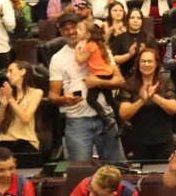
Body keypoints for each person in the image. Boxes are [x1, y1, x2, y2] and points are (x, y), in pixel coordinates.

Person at [48, 13, 125, 163]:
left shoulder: (102, 48)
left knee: (117, 169)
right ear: (60, 32)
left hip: (106, 118)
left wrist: (98, 82)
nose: (71, 32)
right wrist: (64, 99)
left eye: (74, 27)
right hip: (77, 122)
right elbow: (52, 95)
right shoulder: (57, 58)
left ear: (82, 27)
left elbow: (120, 81)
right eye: (65, 29)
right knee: (80, 173)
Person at [118, 47, 176, 162]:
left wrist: (153, 96)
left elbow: (173, 108)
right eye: (143, 61)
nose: (146, 64)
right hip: (138, 142)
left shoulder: (165, 82)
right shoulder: (129, 84)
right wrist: (142, 100)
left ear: (156, 64)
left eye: (150, 61)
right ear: (138, 64)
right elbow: (124, 114)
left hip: (163, 141)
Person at [74, 20, 118, 134]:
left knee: (91, 99)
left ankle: (106, 119)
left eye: (80, 29)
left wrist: (76, 50)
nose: (76, 31)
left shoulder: (90, 45)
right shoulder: (99, 44)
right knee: (110, 99)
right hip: (107, 74)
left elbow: (80, 61)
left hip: (99, 75)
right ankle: (122, 121)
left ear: (88, 34)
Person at [0, 61, 42, 156]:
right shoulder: (8, 94)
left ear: (22, 72)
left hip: (26, 142)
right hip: (5, 142)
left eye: (11, 71)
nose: (8, 75)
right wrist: (3, 106)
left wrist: (11, 100)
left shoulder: (35, 93)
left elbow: (25, 119)